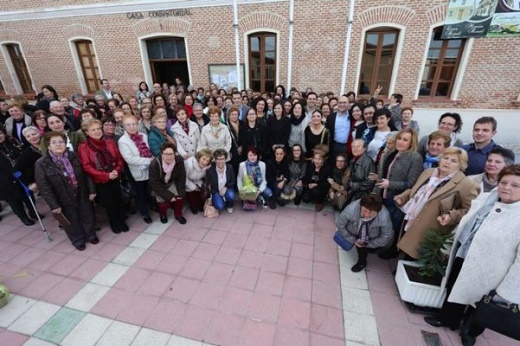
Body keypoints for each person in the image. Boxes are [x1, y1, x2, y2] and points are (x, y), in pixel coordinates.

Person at [432, 164, 520, 346]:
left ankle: (471, 332)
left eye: (515, 185)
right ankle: (448, 320)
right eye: (504, 182)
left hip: (493, 271)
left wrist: (506, 290)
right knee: (454, 287)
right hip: (464, 254)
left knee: (482, 304)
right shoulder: (487, 199)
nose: (506, 187)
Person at [395, 147, 479, 259]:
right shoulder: (428, 172)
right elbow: (416, 189)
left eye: (453, 161)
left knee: (417, 257)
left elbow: (468, 211)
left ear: (461, 165)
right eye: (446, 158)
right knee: (405, 248)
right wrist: (403, 196)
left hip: (431, 228)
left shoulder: (467, 185)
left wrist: (451, 216)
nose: (447, 162)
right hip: (412, 218)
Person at [35, 132, 98, 250]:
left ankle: (90, 235)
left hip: (81, 192)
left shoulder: (74, 155)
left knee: (87, 215)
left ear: (65, 143)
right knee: (71, 221)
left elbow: (86, 174)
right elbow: (44, 187)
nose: (58, 144)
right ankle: (78, 240)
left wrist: (92, 190)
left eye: (61, 141)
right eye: (54, 142)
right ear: (48, 146)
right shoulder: (42, 163)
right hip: (63, 198)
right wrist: (54, 205)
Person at [373, 128, 424, 259]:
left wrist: (391, 184)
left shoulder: (415, 158)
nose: (400, 142)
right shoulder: (391, 153)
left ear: (411, 143)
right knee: (381, 220)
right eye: (400, 138)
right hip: (383, 194)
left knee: (394, 225)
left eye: (405, 140)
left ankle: (393, 249)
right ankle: (378, 244)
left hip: (397, 198)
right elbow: (383, 174)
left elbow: (412, 183)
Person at [78, 119, 128, 234]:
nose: (97, 132)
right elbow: (86, 166)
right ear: (87, 132)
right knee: (109, 203)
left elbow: (119, 159)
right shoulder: (83, 147)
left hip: (115, 176)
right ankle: (114, 223)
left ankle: (122, 221)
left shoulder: (109, 142)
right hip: (101, 180)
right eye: (93, 130)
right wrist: (106, 175)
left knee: (119, 199)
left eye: (98, 129)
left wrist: (117, 170)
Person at [336, 194, 393, 272]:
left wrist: (367, 244)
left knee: (369, 249)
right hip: (354, 230)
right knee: (361, 249)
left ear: (377, 211)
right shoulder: (350, 210)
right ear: (360, 205)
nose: (366, 215)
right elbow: (340, 225)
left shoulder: (384, 217)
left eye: (371, 212)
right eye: (364, 210)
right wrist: (353, 240)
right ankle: (361, 262)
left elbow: (385, 237)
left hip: (372, 236)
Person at [118, 115, 154, 224]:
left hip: (149, 169)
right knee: (140, 192)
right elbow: (130, 159)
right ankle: (144, 213)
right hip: (136, 171)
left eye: (134, 124)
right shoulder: (123, 141)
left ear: (137, 124)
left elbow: (150, 149)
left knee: (148, 189)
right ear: (124, 126)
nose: (132, 126)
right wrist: (149, 161)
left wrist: (151, 159)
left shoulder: (144, 135)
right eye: (128, 125)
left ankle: (151, 205)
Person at [149, 143, 187, 224]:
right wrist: (169, 196)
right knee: (164, 203)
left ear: (175, 153)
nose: (169, 156)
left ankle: (178, 214)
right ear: (162, 154)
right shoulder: (154, 164)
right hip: (160, 186)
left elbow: (181, 177)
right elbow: (154, 183)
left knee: (180, 198)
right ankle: (162, 214)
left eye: (171, 154)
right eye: (166, 154)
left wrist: (180, 193)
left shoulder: (179, 160)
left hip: (171, 183)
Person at [345, 139, 377, 205]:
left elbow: (370, 183)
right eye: (353, 146)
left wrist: (353, 185)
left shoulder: (368, 162)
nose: (355, 149)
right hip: (354, 191)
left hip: (364, 194)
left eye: (358, 146)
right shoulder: (353, 160)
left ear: (364, 148)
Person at [205, 149, 236, 213]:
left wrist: (226, 187)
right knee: (220, 206)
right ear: (215, 160)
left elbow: (233, 180)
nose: (220, 161)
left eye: (222, 159)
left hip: (227, 189)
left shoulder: (230, 167)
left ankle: (230, 205)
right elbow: (208, 184)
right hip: (216, 191)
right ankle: (222, 200)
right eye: (218, 159)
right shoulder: (210, 170)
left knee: (231, 196)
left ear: (225, 159)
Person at [184, 149, 212, 214]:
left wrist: (206, 185)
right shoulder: (188, 164)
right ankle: (192, 205)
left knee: (201, 200)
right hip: (187, 182)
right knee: (192, 198)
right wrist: (194, 187)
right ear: (199, 158)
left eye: (207, 160)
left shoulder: (208, 166)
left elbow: (206, 178)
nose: (205, 162)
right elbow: (185, 179)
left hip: (198, 180)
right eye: (203, 159)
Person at [325, 95, 351, 161]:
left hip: (348, 146)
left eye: (344, 102)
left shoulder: (352, 116)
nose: (342, 105)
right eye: (340, 102)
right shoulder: (331, 117)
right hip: (334, 146)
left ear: (348, 104)